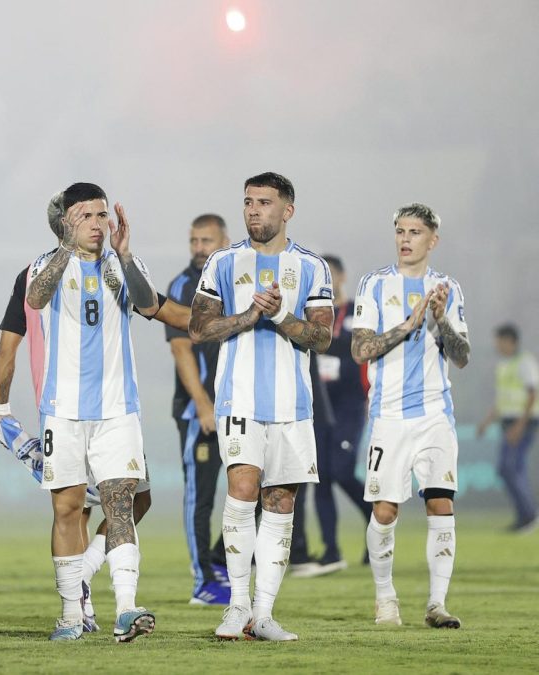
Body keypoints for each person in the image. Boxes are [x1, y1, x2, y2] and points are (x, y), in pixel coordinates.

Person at [189, 172, 334, 642]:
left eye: (265, 203)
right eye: (248, 202)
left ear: (287, 211)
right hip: (239, 398)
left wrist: (279, 316)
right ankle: (236, 606)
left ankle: (264, 615)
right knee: (243, 488)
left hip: (293, 405)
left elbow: (322, 336)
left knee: (280, 501)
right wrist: (250, 315)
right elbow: (199, 328)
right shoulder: (224, 263)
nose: (253, 210)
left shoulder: (311, 267)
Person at [25, 182, 160, 643]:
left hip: (117, 410)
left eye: (102, 214)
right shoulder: (47, 264)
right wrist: (65, 249)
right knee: (66, 510)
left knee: (122, 504)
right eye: (86, 215)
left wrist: (124, 256)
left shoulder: (122, 264)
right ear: (67, 221)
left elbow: (148, 305)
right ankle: (70, 613)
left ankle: (126, 608)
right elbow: (36, 299)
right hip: (62, 412)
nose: (97, 224)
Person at [351, 203, 471, 628]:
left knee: (441, 504)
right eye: (400, 230)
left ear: (432, 240)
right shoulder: (375, 284)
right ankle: (385, 599)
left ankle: (437, 604)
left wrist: (439, 321)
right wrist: (408, 324)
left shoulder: (448, 289)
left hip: (437, 415)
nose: (405, 239)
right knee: (384, 511)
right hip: (390, 416)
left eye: (415, 232)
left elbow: (461, 357)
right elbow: (359, 350)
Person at [165, 214, 232, 605]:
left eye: (206, 240)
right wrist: (203, 406)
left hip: (239, 408)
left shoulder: (238, 280)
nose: (198, 248)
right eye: (193, 240)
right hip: (199, 413)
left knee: (257, 488)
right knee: (200, 497)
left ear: (225, 240)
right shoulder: (184, 286)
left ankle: (220, 560)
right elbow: (180, 349)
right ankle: (204, 582)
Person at [299, 255, 373, 574]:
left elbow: (355, 347)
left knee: (342, 471)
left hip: (350, 403)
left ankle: (378, 523)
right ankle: (331, 550)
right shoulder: (311, 313)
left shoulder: (356, 311)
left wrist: (320, 337)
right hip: (318, 403)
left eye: (331, 275)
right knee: (322, 477)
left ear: (342, 277)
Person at [478, 325, 538, 533]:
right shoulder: (504, 365)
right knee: (510, 469)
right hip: (508, 423)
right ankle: (525, 516)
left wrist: (520, 426)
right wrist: (487, 422)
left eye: (499, 340)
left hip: (522, 424)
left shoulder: (525, 362)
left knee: (510, 468)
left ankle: (529, 515)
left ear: (510, 341)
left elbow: (532, 395)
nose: (497, 345)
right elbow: (502, 399)